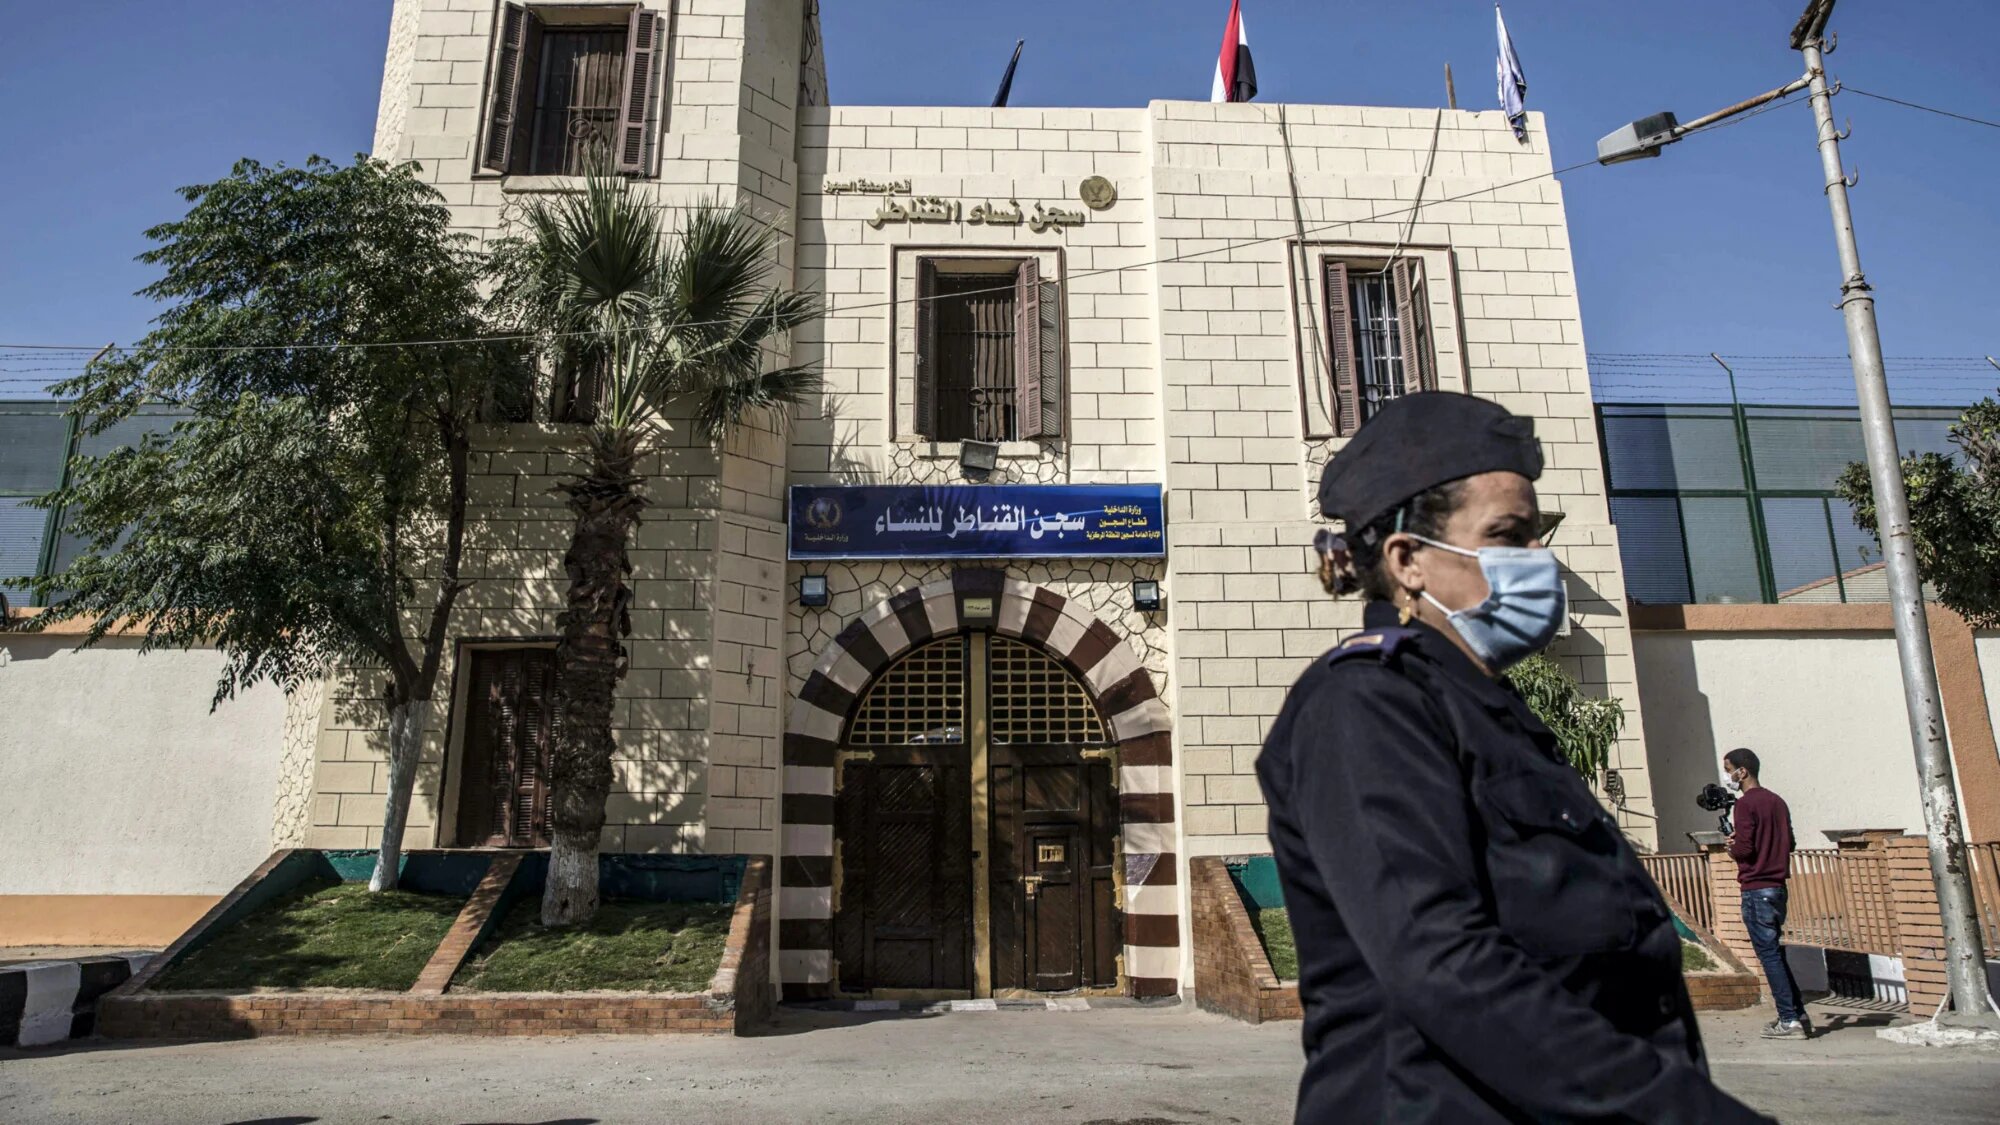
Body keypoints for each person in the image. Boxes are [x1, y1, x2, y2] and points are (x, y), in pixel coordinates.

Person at [1257, 392, 1766, 1123]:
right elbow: (1443, 963)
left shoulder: (1491, 710)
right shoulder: (1367, 706)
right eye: (1508, 535)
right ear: (1408, 561)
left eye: (1537, 536)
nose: (1539, 561)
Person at [1723, 747, 1808, 1039]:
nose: (1729, 778)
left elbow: (1745, 849)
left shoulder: (1745, 805)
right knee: (1775, 954)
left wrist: (1732, 847)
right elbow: (1790, 842)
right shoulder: (1777, 802)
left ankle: (1789, 1020)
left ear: (1742, 771)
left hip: (1756, 888)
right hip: (1778, 887)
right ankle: (1797, 1014)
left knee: (1769, 956)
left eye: (1729, 770)